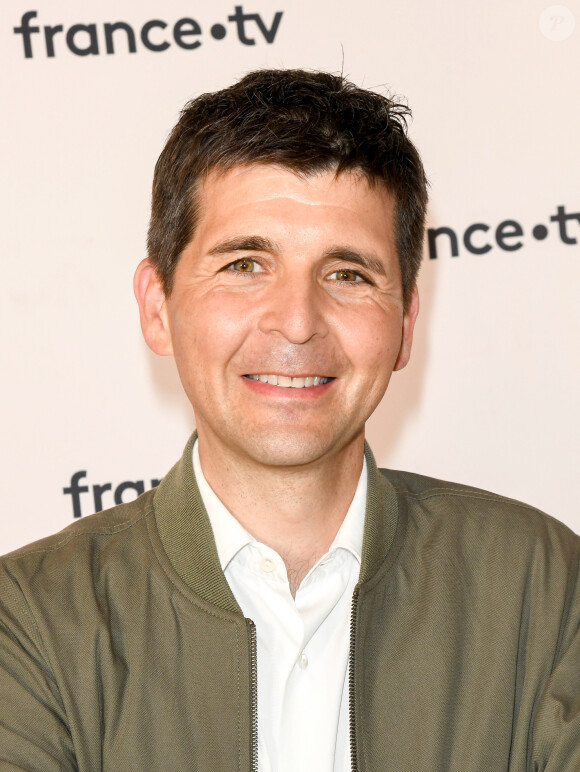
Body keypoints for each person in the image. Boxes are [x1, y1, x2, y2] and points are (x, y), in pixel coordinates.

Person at [0, 69, 578, 772]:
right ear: (157, 307)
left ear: (404, 324)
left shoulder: (544, 589)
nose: (298, 323)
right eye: (246, 264)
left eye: (348, 275)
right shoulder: (28, 621)